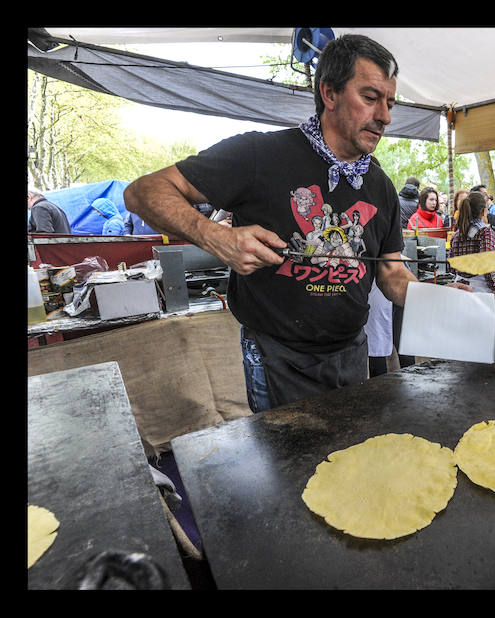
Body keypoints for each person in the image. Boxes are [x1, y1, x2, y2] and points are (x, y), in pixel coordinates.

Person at [123, 33, 470, 413]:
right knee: (288, 469)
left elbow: (390, 272)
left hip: (353, 352)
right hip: (278, 359)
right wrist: (216, 237)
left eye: (389, 102)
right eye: (370, 98)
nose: (385, 116)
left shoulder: (380, 186)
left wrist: (442, 304)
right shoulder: (261, 155)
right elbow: (144, 192)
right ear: (329, 93)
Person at [449, 191, 495, 296]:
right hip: (480, 289)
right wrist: (494, 286)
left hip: (459, 285)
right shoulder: (485, 232)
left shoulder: (457, 234)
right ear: (483, 211)